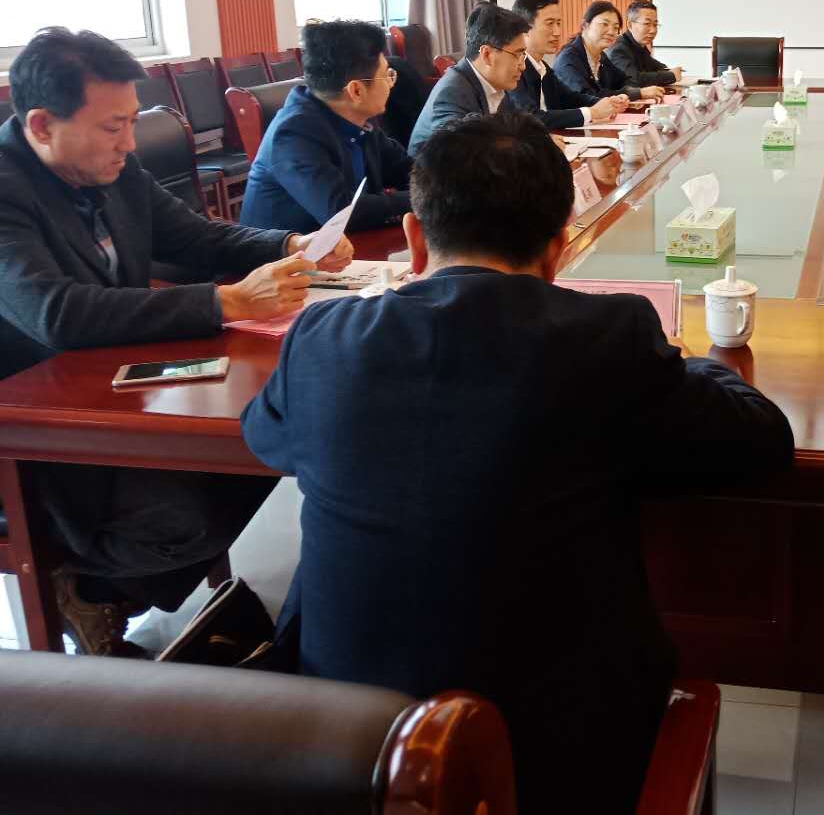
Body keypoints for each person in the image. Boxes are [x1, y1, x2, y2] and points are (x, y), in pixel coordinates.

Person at [242, 111, 794, 811]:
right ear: (558, 248)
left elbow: (267, 438)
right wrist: (687, 363)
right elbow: (762, 441)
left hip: (348, 744)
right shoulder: (609, 337)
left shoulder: (324, 336)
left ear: (415, 238)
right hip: (557, 754)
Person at [0, 27, 352, 655]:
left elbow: (194, 237)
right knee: (183, 516)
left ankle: (107, 591)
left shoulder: (110, 167)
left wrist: (288, 244)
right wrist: (225, 302)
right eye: (113, 127)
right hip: (37, 427)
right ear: (43, 125)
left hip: (118, 384)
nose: (129, 143)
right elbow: (55, 312)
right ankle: (92, 589)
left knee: (263, 451)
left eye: (133, 123)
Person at [240, 20, 413, 234]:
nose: (390, 84)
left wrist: (438, 186)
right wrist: (424, 199)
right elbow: (341, 213)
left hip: (346, 246)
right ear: (356, 91)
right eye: (386, 76)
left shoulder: (358, 121)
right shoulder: (293, 134)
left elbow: (408, 170)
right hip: (290, 253)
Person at [407, 3, 529, 155]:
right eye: (517, 55)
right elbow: (457, 154)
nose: (523, 66)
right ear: (487, 55)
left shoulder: (498, 84)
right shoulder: (452, 92)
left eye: (523, 55)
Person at [510, 0, 626, 129]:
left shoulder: (542, 67)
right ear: (525, 28)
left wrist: (606, 103)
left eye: (558, 23)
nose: (557, 32)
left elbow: (569, 98)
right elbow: (530, 118)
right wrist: (593, 112)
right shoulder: (514, 68)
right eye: (549, 23)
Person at [553, 0, 666, 106]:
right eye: (604, 24)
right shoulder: (569, 59)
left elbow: (624, 80)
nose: (611, 32)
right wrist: (638, 93)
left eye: (616, 27)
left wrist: (633, 93)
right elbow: (588, 98)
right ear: (585, 25)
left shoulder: (601, 57)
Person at [606, 0, 684, 87]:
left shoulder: (639, 46)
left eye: (655, 24)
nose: (653, 30)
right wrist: (671, 75)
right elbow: (633, 80)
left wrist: (669, 71)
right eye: (647, 24)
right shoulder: (618, 49)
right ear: (630, 25)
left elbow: (656, 67)